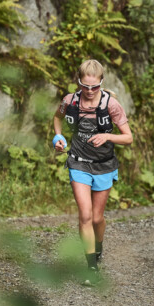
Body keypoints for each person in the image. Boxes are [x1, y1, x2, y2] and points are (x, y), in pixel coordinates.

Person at [52, 59, 133, 283]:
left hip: (104, 165)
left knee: (97, 218)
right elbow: (57, 118)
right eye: (84, 86)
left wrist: (107, 136)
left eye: (94, 86)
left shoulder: (111, 105)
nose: (89, 91)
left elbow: (128, 137)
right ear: (78, 82)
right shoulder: (69, 100)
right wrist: (58, 137)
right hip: (78, 163)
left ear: (101, 82)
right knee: (85, 215)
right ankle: (91, 269)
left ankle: (98, 246)